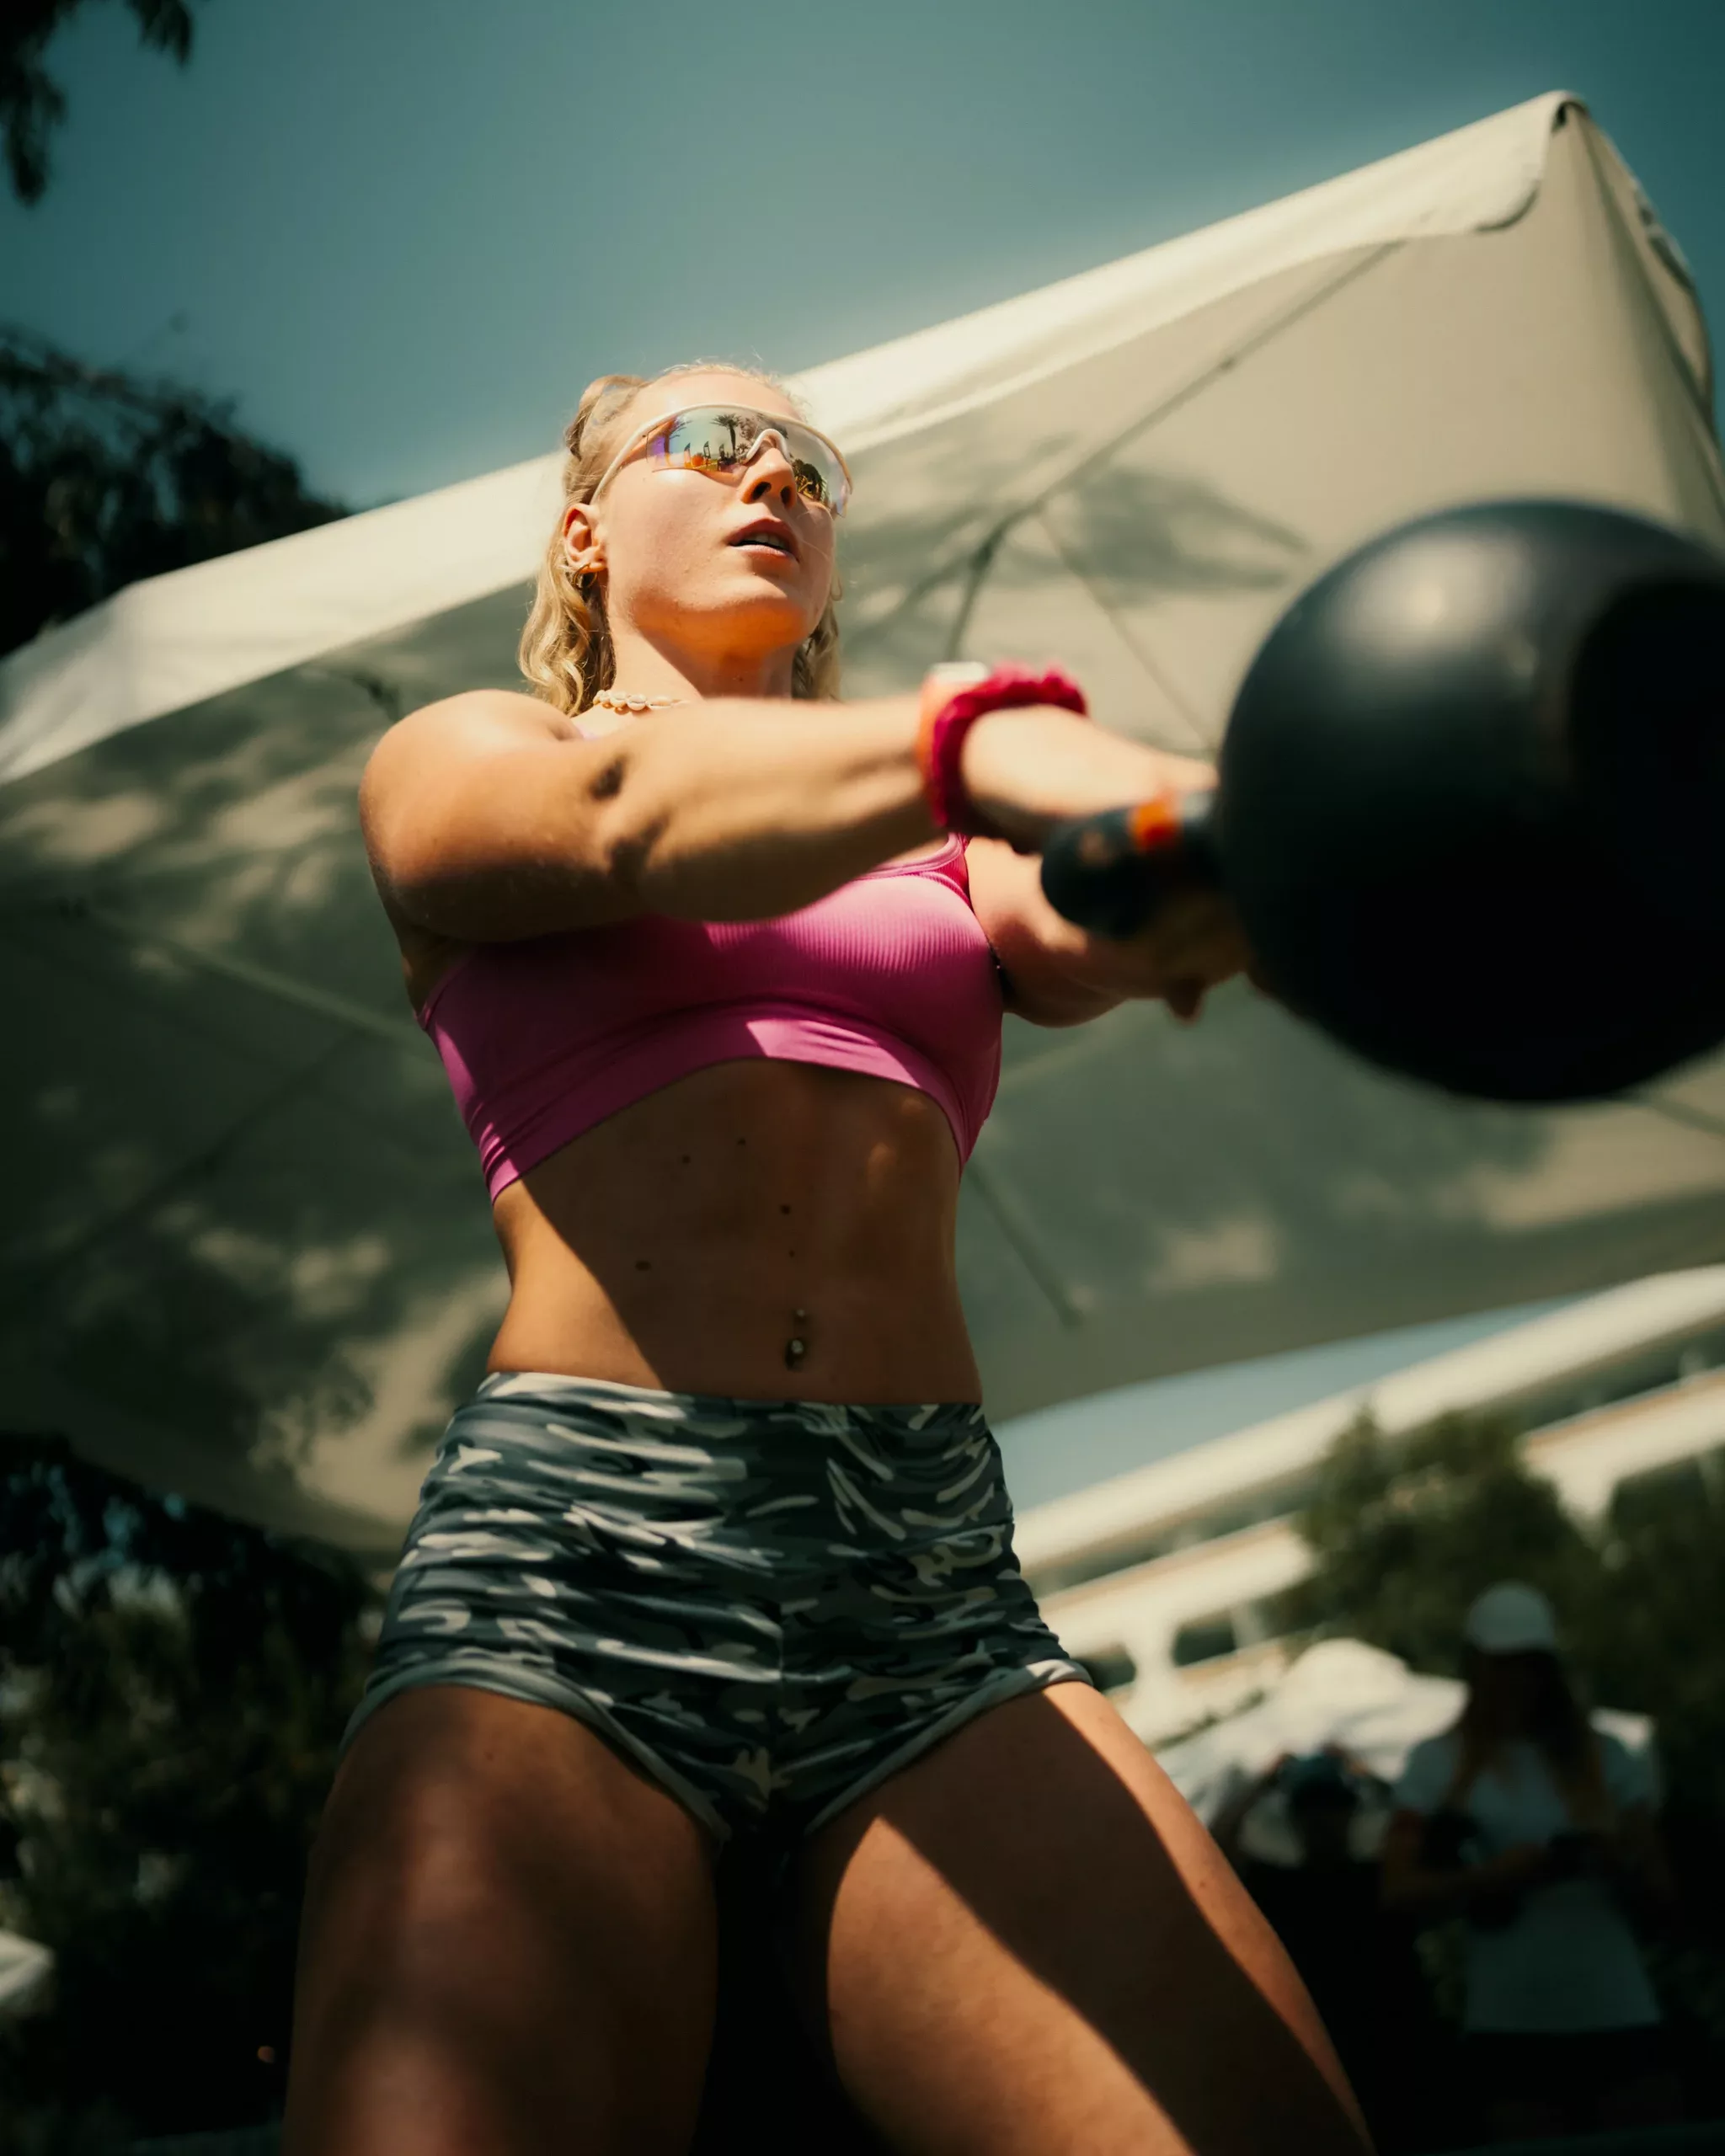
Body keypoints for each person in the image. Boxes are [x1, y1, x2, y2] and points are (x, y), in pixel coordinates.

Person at [282, 362, 1369, 2156]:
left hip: (923, 1583)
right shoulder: (471, 752)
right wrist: (978, 729)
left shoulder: (949, 845)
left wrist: (1278, 845)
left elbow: (1106, 902)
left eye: (807, 458)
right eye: (707, 443)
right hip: (579, 1567)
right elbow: (630, 810)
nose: (768, 471)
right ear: (581, 532)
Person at [1381, 1581, 1679, 2143]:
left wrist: (1613, 1864)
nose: (1516, 1681)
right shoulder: (1434, 1765)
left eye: (1528, 1665)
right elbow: (1397, 1891)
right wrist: (1491, 1879)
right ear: (1475, 1668)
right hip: (1510, 2024)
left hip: (1615, 2011)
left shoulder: (1608, 1757)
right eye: (1503, 1665)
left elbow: (1664, 1893)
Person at [1213, 1750, 1451, 2152]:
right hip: (1335, 2050)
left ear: (1350, 1811)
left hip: (1399, 2045)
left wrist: (1367, 1771)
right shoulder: (1279, 1886)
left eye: (1333, 1808)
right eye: (1312, 1810)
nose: (1323, 1820)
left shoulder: (1384, 1877)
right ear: (1295, 1817)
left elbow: (1433, 1827)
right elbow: (1214, 1851)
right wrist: (1259, 1785)